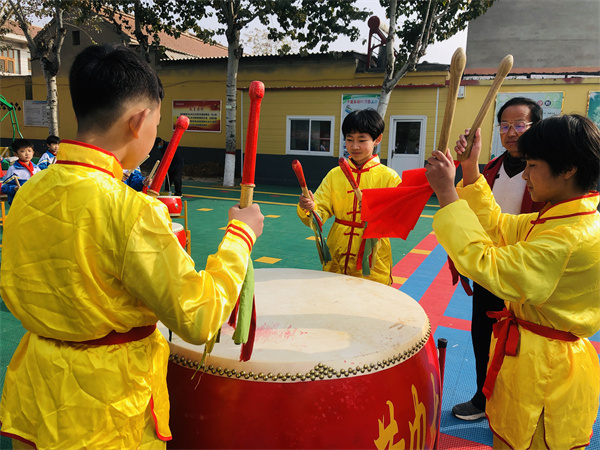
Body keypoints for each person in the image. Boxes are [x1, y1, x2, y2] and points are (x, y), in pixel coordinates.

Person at [0, 43, 264, 450]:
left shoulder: (31, 189)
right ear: (140, 121)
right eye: (157, 124)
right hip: (106, 406)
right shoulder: (131, 211)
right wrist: (241, 236)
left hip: (39, 385)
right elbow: (198, 317)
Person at [425, 114, 600, 449]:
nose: (526, 174)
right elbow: (499, 225)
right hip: (536, 362)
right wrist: (471, 167)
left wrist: (447, 191)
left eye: (532, 165)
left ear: (568, 169)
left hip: (547, 373)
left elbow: (488, 264)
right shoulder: (560, 219)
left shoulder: (568, 237)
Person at [450, 97, 545, 421]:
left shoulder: (547, 175)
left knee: (523, 347)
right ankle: (482, 398)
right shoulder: (489, 168)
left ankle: (518, 409)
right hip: (488, 269)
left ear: (536, 127)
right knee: (482, 334)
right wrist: (459, 260)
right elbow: (469, 215)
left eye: (520, 124)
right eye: (505, 125)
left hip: (526, 276)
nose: (511, 132)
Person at [297, 109, 401, 285]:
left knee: (371, 299)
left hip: (372, 253)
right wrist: (309, 208)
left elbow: (397, 217)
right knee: (333, 296)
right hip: (338, 248)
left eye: (362, 140)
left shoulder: (389, 177)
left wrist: (373, 212)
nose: (354, 146)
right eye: (349, 140)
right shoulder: (335, 174)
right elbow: (320, 210)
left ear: (377, 139)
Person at [1, 138, 40, 205]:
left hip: (33, 202)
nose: (27, 154)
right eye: (22, 151)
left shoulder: (36, 168)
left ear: (33, 153)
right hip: (18, 204)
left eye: (29, 151)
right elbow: (4, 187)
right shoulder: (13, 169)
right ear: (16, 154)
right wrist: (14, 189)